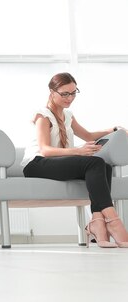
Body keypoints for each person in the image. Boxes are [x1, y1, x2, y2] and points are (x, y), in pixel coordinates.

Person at [21, 72, 128, 248]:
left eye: (73, 93)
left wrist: (114, 129)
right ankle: (113, 220)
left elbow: (88, 135)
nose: (69, 98)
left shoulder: (68, 116)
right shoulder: (42, 116)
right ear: (52, 92)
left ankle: (97, 223)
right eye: (65, 93)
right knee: (95, 162)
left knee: (105, 166)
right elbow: (45, 150)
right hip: (36, 164)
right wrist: (78, 151)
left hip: (55, 162)